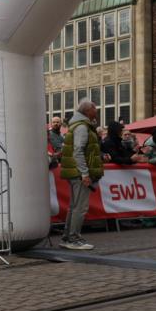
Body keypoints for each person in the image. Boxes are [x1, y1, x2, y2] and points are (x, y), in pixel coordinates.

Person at [59, 98, 103, 250]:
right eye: (94, 109)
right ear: (87, 111)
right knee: (80, 207)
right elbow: (78, 150)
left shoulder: (78, 125)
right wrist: (85, 173)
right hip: (79, 173)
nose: (96, 111)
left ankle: (68, 237)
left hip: (75, 172)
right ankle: (73, 238)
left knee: (74, 206)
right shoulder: (82, 127)